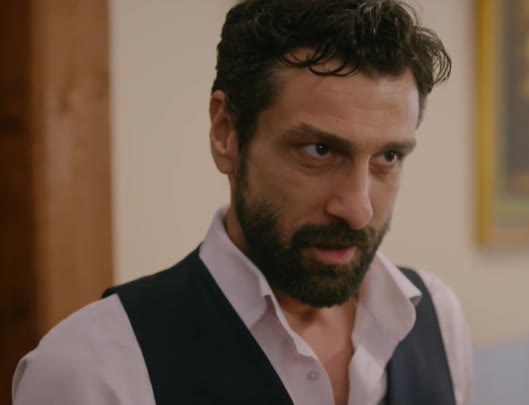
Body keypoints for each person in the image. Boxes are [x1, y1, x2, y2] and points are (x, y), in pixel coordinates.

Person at [12, 0, 474, 404]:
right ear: (226, 133)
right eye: (319, 150)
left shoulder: (436, 317)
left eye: (387, 157)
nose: (357, 210)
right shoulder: (89, 370)